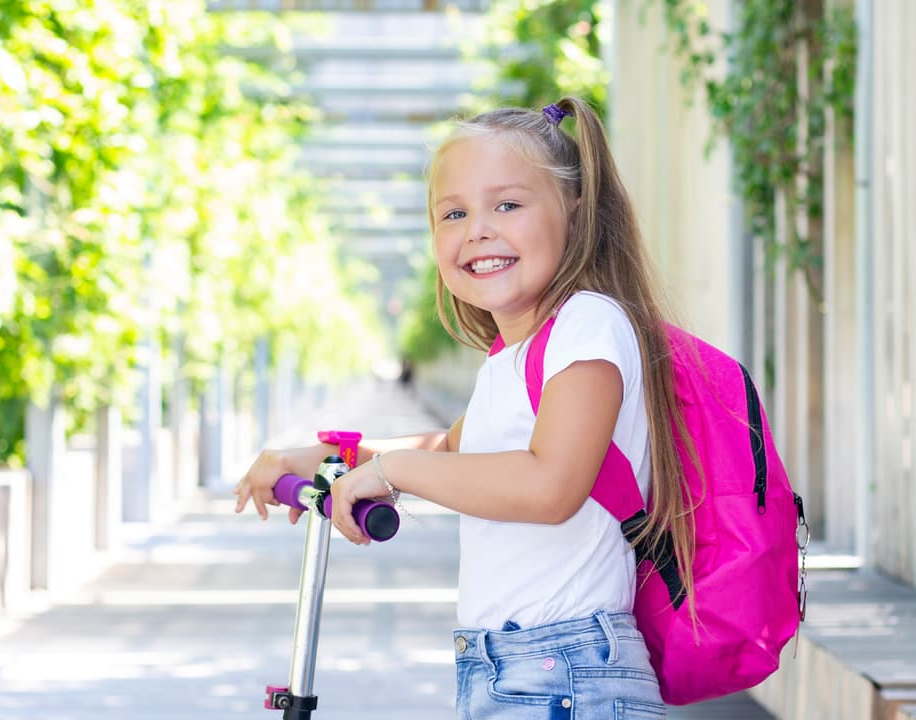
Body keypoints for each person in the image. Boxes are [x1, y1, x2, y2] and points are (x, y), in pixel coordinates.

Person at [235, 97, 695, 719]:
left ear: (575, 212)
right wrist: (319, 455)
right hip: (514, 670)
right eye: (453, 212)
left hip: (566, 675)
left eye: (506, 204)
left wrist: (392, 475)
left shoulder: (589, 323)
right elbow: (448, 454)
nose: (478, 228)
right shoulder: (511, 356)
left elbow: (549, 486)